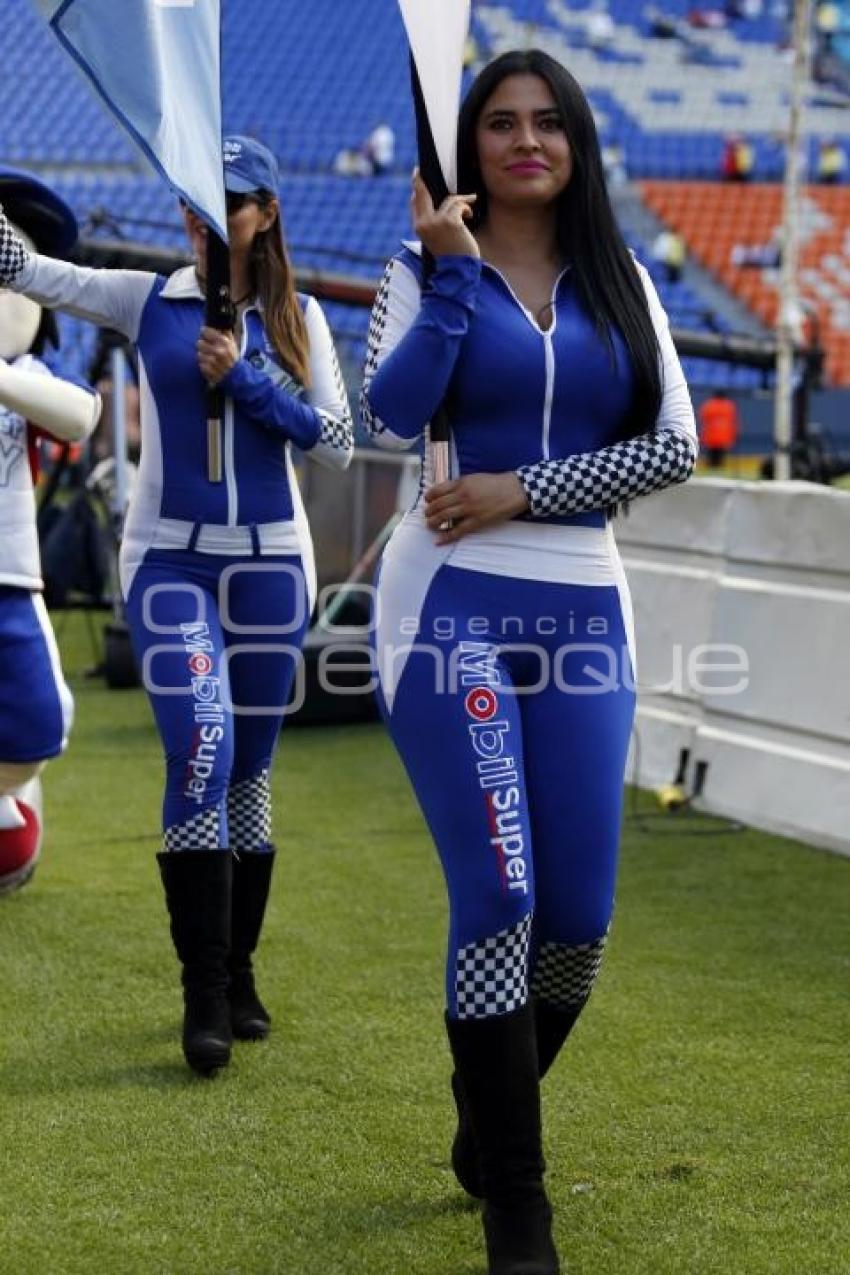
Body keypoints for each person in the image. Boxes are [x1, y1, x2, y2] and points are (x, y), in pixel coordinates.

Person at [361, 49, 697, 1275]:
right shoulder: (415, 272)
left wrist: (524, 490)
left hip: (581, 610)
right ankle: (518, 1202)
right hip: (442, 601)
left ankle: (485, 1118)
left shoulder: (623, 282)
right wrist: (451, 281)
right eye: (500, 122)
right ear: (470, 145)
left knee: (579, 922)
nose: (525, 141)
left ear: (577, 144)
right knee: (499, 892)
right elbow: (387, 419)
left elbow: (673, 448)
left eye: (548, 122)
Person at [0, 135, 354, 1074]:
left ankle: (239, 972)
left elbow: (338, 443)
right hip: (169, 565)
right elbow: (38, 271)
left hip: (272, 569)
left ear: (267, 212)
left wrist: (245, 375)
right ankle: (200, 987)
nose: (205, 218)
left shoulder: (302, 316)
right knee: (202, 745)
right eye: (195, 202)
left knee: (251, 772)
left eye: (229, 201)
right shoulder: (146, 295)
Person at [0, 168, 101, 894]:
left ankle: (14, 784)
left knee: (40, 723)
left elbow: (79, 415)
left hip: (10, 574)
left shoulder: (27, 373)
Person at [698, 388, 740, 466]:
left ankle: (711, 465)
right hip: (724, 435)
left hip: (711, 435)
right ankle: (719, 465)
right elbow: (733, 421)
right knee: (720, 456)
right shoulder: (729, 405)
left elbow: (703, 418)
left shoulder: (709, 405)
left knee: (711, 455)